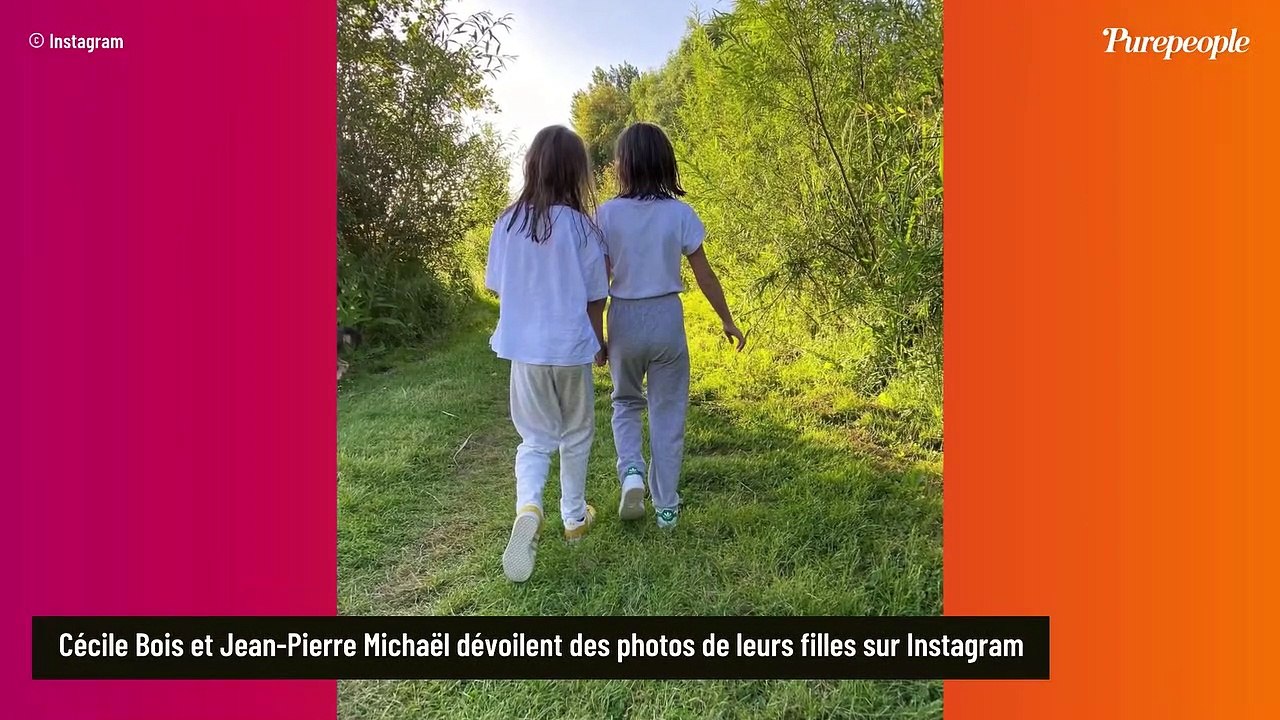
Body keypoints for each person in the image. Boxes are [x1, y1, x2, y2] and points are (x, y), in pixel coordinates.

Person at [596, 122, 746, 530]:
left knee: (626, 402)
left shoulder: (606, 214)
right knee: (668, 411)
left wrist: (594, 335)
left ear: (623, 166)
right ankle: (666, 507)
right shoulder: (681, 214)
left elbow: (596, 281)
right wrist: (727, 320)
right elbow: (705, 276)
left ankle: (631, 473)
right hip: (666, 318)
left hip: (624, 315)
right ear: (665, 163)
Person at [484, 125, 609, 582]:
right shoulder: (584, 229)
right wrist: (599, 343)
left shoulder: (507, 222)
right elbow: (598, 296)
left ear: (532, 165)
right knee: (576, 433)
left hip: (525, 350)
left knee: (535, 438)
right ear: (577, 172)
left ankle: (529, 507)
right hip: (571, 347)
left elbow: (497, 285)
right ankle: (574, 519)